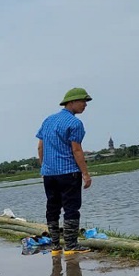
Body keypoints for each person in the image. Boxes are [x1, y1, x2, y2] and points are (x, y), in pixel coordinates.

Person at [37, 88, 93, 255]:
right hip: (69, 172)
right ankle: (70, 245)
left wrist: (44, 167)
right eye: (82, 101)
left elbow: (40, 147)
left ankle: (55, 246)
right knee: (71, 208)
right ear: (71, 102)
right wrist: (85, 173)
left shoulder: (48, 120)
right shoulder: (75, 123)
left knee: (52, 207)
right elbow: (76, 150)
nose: (85, 105)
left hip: (49, 174)